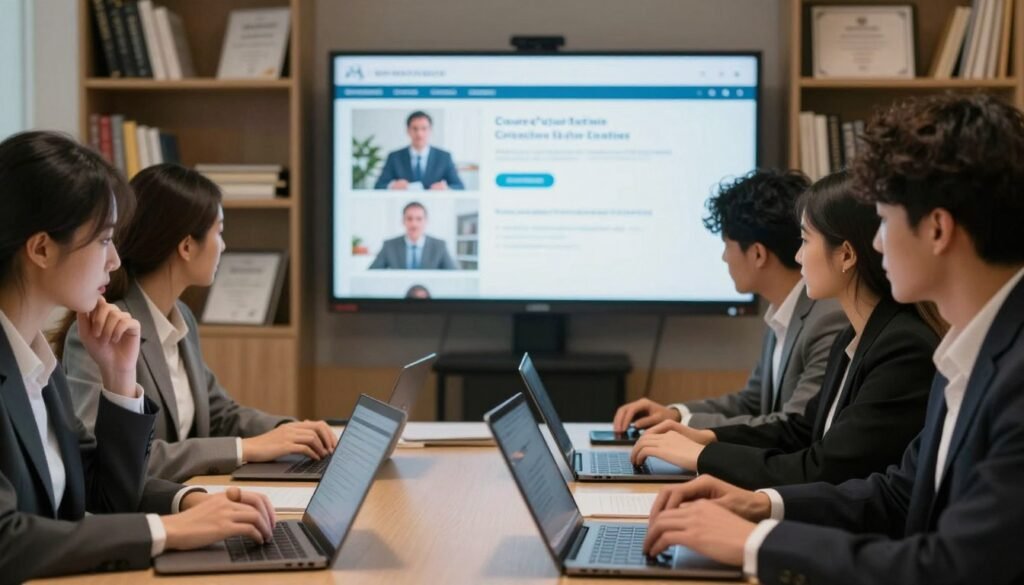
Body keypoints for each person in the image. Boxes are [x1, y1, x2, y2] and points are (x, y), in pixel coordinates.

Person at [641, 93, 1024, 585]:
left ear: (937, 228)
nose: (877, 243)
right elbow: (899, 493)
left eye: (883, 220)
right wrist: (760, 504)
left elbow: (953, 568)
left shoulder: (1010, 375)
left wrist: (754, 542)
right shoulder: (972, 353)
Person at [0, 131, 275, 581]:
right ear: (42, 248)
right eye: (105, 240)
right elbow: (6, 541)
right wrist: (165, 531)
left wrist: (187, 500)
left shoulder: (36, 366)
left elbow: (103, 493)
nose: (114, 261)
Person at [631, 171, 943, 488]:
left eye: (805, 241)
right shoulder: (852, 336)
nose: (797, 256)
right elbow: (800, 430)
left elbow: (826, 468)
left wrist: (703, 456)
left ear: (846, 254)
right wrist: (705, 436)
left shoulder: (900, 346)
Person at [60, 164, 337, 483]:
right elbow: (114, 459)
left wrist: (289, 432)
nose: (224, 245)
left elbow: (221, 414)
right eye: (219, 231)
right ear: (187, 246)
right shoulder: (103, 333)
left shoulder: (180, 318)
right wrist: (244, 449)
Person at [614, 170, 847, 430]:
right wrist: (678, 414)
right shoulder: (784, 311)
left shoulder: (826, 319)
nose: (724, 258)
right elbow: (753, 402)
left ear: (758, 254)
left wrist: (686, 427)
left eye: (727, 245)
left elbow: (796, 425)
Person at [373, 111, 464, 190]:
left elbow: (459, 186)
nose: (419, 134)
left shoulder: (444, 157)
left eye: (424, 129)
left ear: (430, 130)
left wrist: (446, 188)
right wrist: (392, 186)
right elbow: (379, 186)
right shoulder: (394, 157)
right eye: (415, 129)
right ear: (408, 130)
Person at [369, 201, 457, 270]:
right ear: (403, 221)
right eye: (409, 219)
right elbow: (371, 275)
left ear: (426, 221)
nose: (414, 224)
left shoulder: (439, 246)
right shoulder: (389, 246)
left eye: (419, 219)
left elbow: (454, 276)